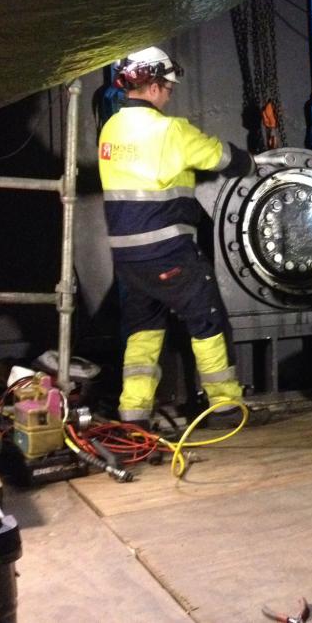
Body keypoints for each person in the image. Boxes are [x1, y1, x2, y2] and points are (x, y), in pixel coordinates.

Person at [98, 46, 255, 428]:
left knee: (143, 331)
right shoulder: (170, 130)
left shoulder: (111, 129)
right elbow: (219, 157)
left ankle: (134, 414)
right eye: (167, 88)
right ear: (153, 86)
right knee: (208, 321)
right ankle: (225, 408)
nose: (169, 95)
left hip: (127, 257)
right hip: (168, 250)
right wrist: (250, 162)